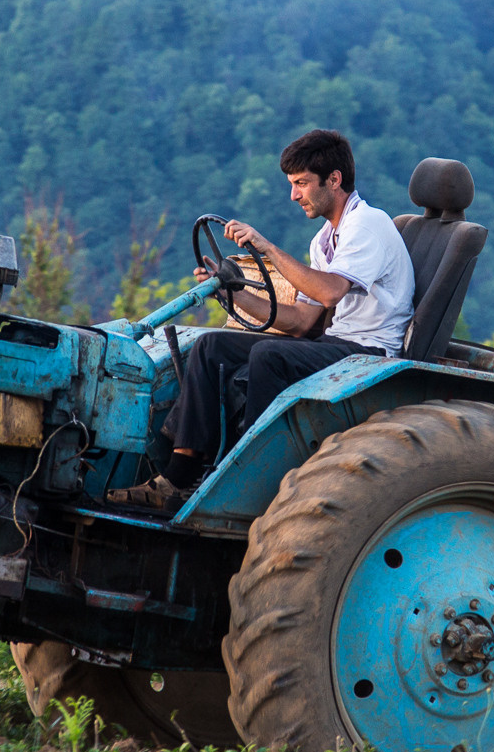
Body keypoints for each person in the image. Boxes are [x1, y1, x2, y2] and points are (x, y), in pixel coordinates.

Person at [108, 128, 416, 510]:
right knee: (210, 347)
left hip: (368, 353)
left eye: (302, 183)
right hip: (334, 344)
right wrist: (232, 292)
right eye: (292, 184)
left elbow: (331, 292)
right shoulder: (324, 240)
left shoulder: (368, 225)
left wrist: (266, 246)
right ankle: (179, 475)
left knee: (268, 355)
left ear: (334, 180)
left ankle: (244, 478)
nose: (294, 195)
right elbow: (302, 321)